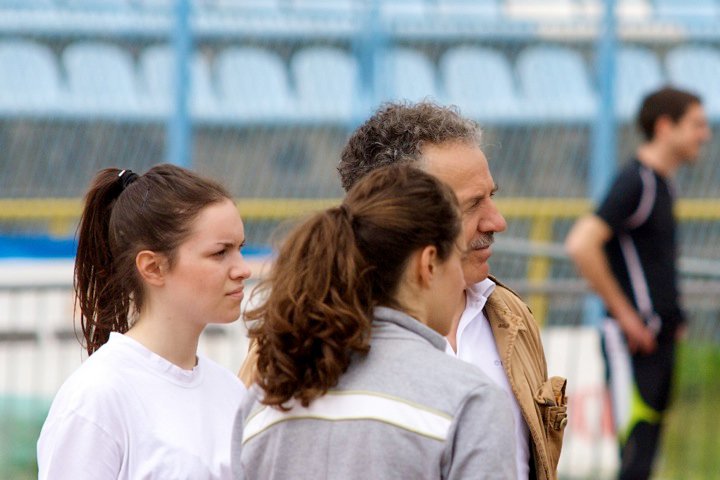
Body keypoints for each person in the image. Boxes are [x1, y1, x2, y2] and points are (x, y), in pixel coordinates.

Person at [232, 165, 517, 479]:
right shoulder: (470, 400)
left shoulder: (264, 399)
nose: (461, 279)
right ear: (428, 264)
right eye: (457, 257)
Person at [337, 101, 567, 480]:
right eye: (472, 204)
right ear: (395, 217)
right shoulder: (310, 335)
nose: (496, 221)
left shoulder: (511, 318)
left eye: (491, 196)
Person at [37, 164, 251, 479]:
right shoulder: (97, 398)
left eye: (240, 249)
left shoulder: (230, 391)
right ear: (152, 267)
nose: (243, 269)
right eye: (220, 253)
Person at [565, 87, 711, 480]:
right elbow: (581, 244)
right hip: (634, 344)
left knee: (646, 460)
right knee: (634, 459)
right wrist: (628, 316)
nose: (705, 135)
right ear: (665, 127)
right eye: (696, 124)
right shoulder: (637, 182)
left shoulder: (664, 183)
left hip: (659, 341)